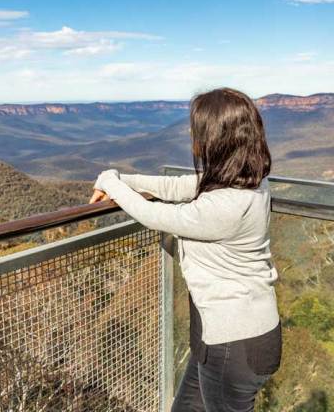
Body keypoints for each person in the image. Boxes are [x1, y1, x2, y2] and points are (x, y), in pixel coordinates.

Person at [89, 87, 282, 412]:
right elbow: (178, 186)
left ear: (218, 138)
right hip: (222, 335)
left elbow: (156, 215)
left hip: (234, 344)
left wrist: (110, 182)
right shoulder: (246, 182)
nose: (194, 139)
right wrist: (124, 178)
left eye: (199, 131)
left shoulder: (227, 205)